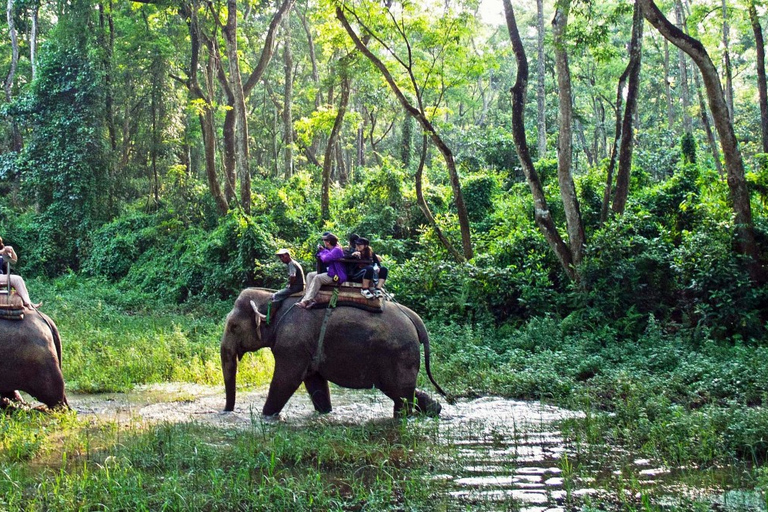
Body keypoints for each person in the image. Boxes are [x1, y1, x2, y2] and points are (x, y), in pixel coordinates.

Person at [297, 233, 348, 309]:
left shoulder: (337, 250)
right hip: (331, 271)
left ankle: (305, 301)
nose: (324, 242)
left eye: (325, 241)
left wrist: (321, 252)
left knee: (318, 277)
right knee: (310, 275)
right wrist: (323, 251)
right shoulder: (333, 248)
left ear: (328, 242)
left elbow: (325, 258)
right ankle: (310, 299)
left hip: (336, 274)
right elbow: (328, 255)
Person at [0, 237, 40, 310]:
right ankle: (27, 303)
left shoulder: (2, 252)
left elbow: (13, 261)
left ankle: (28, 301)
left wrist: (12, 251)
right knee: (17, 279)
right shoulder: (1, 252)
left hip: (1, 276)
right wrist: (3, 251)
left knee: (18, 279)